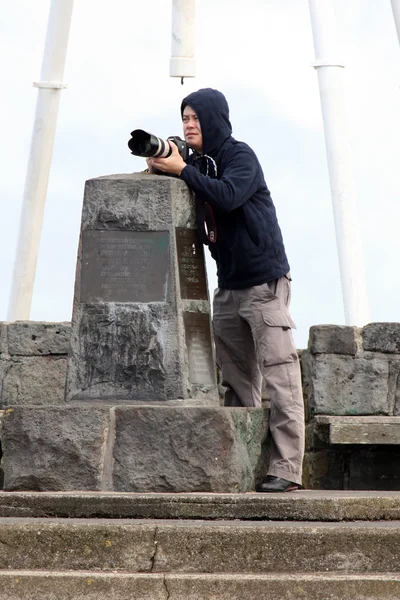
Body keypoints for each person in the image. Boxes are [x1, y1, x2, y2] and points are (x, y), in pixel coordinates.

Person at [149, 88, 305, 492]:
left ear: (214, 119)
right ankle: (243, 466)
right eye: (184, 118)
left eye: (196, 118)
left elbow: (230, 197)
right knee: (235, 386)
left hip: (263, 286)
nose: (188, 124)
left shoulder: (240, 156)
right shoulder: (198, 164)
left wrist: (183, 170)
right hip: (228, 288)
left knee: (279, 377)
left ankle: (286, 471)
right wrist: (163, 168)